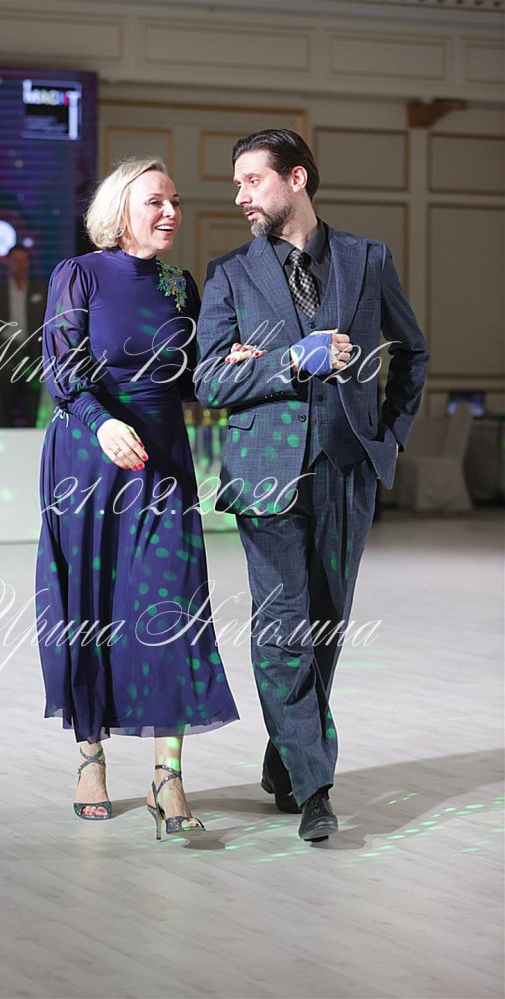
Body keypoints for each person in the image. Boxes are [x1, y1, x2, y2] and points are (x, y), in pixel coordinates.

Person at [194, 129, 428, 842]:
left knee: (325, 625)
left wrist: (387, 437)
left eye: (252, 180)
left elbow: (412, 353)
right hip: (263, 473)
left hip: (347, 467)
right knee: (281, 626)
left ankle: (288, 759)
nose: (240, 196)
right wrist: (291, 361)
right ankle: (318, 786)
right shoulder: (230, 273)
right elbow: (208, 380)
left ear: (296, 178)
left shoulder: (367, 259)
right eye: (237, 183)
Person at [36, 157, 239, 837]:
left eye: (175, 201)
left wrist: (227, 363)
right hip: (88, 457)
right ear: (121, 209)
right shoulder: (80, 274)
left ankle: (167, 775)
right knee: (89, 606)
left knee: (169, 608)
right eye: (156, 201)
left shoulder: (181, 284)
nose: (171, 212)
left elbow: (189, 379)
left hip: (163, 461)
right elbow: (62, 369)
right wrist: (103, 423)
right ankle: (90, 757)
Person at [0, 244, 47, 427]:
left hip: (33, 354)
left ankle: (32, 442)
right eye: (16, 260)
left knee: (33, 408)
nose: (20, 265)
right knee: (4, 407)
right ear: (8, 263)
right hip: (6, 354)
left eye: (24, 260)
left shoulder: (41, 289)